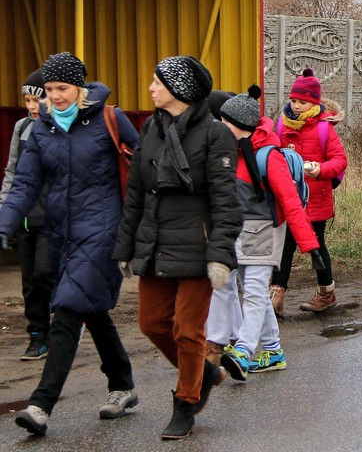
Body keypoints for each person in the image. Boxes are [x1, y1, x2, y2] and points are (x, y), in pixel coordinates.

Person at [0, 52, 139, 437]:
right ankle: (123, 384)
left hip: (104, 229)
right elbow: (25, 183)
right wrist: (4, 224)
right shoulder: (41, 129)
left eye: (62, 88)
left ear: (80, 87)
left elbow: (143, 167)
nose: (55, 96)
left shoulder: (110, 119)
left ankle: (41, 405)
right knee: (90, 310)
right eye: (48, 90)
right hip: (63, 233)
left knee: (65, 308)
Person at [114, 55, 242, 440]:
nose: (151, 87)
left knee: (188, 330)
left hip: (198, 248)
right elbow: (135, 191)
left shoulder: (215, 135)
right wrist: (125, 246)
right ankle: (207, 373)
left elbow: (225, 200)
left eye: (157, 82)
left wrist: (220, 254)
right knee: (151, 323)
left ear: (180, 90)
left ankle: (186, 401)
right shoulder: (151, 127)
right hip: (156, 242)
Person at [212, 86, 321, 379]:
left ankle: (243, 352)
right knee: (251, 292)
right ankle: (272, 350)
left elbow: (291, 203)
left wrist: (310, 246)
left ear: (240, 127)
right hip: (237, 231)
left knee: (255, 292)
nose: (219, 128)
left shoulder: (268, 156)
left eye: (224, 124)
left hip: (264, 231)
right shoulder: (230, 152)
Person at [270, 68, 348, 313]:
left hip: (316, 198)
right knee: (286, 245)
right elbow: (272, 152)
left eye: (302, 102)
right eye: (293, 101)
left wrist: (320, 170)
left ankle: (325, 293)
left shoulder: (324, 129)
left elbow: (340, 160)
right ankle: (277, 295)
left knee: (315, 244)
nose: (296, 106)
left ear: (313, 102)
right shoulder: (282, 124)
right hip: (288, 197)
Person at [0, 69, 53, 361]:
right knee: (29, 282)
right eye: (27, 100)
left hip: (53, 218)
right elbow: (12, 172)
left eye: (37, 99)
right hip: (25, 219)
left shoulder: (60, 127)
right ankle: (38, 336)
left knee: (46, 272)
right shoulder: (21, 128)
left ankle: (68, 318)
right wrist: (5, 211)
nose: (32, 106)